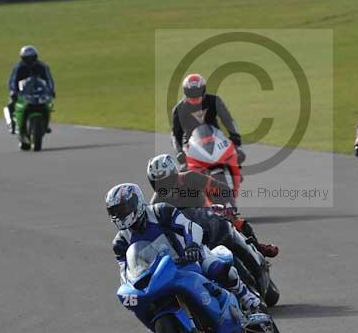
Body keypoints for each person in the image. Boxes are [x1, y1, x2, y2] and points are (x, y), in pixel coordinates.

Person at [105, 183, 261, 313]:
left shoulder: (160, 211)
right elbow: (125, 272)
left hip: (189, 257)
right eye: (115, 212)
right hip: (158, 275)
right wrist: (132, 290)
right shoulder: (120, 241)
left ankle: (245, 296)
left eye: (123, 209)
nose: (120, 214)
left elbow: (189, 226)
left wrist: (192, 245)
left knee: (217, 268)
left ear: (136, 202)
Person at [147, 154, 279, 258]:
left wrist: (228, 206)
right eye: (158, 183)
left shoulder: (190, 178)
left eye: (167, 181)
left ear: (175, 175)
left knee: (235, 220)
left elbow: (220, 188)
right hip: (184, 234)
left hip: (208, 217)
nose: (164, 186)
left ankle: (257, 248)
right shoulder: (156, 203)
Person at [171, 73, 245, 168]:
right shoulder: (179, 109)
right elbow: (175, 135)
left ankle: (235, 178)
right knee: (184, 171)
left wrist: (235, 138)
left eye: (198, 97)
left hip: (217, 140)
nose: (195, 100)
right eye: (191, 98)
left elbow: (228, 120)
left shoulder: (215, 101)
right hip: (191, 145)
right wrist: (179, 152)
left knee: (239, 156)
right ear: (186, 94)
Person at [7, 45, 55, 134]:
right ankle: (13, 125)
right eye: (27, 58)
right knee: (10, 104)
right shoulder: (18, 67)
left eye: (32, 57)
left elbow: (49, 79)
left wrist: (51, 90)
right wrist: (13, 91)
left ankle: (45, 124)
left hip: (38, 91)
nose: (30, 60)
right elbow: (13, 80)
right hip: (23, 92)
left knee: (48, 104)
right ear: (22, 58)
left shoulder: (42, 66)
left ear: (36, 56)